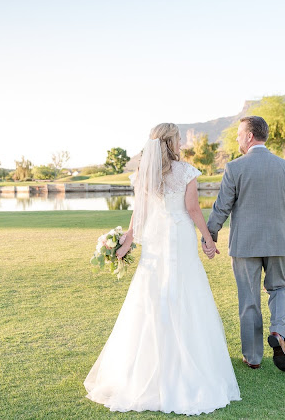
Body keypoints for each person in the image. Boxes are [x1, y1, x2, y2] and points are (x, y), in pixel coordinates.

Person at [84, 123, 240, 415]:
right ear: (171, 142)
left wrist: (127, 240)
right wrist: (208, 239)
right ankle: (187, 367)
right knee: (185, 291)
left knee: (152, 291)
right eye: (179, 139)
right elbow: (193, 210)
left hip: (155, 241)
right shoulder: (186, 172)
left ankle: (146, 368)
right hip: (179, 238)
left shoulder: (144, 174)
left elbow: (139, 212)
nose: (181, 143)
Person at [204, 116, 285, 371]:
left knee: (249, 299)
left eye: (239, 134)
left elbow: (222, 207)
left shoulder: (234, 168)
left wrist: (210, 234)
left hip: (244, 245)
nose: (237, 138)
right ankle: (279, 332)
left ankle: (253, 357)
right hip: (278, 241)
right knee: (278, 289)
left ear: (249, 136)